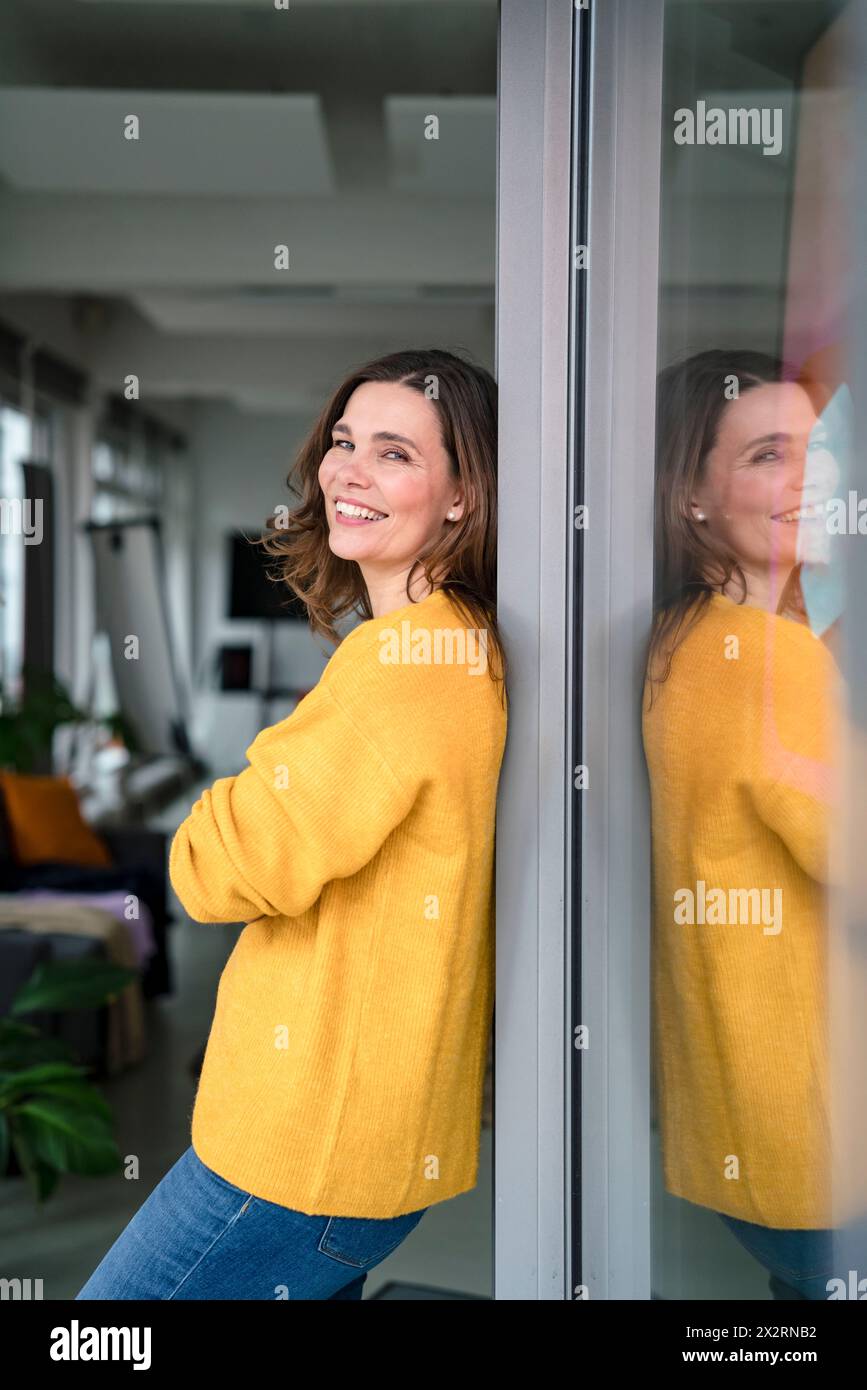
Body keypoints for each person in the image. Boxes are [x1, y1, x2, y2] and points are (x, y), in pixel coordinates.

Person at [75, 348, 508, 1300]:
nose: (347, 470)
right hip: (357, 1142)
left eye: (393, 452)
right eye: (344, 440)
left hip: (301, 1147)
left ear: (461, 497)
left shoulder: (402, 666)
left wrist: (246, 777)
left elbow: (209, 872)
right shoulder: (455, 644)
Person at [642, 347, 865, 1300]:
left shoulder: (686, 644)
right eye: (769, 453)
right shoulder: (768, 662)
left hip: (743, 1123)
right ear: (690, 495)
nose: (812, 479)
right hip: (817, 1131)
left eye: (819, 450)